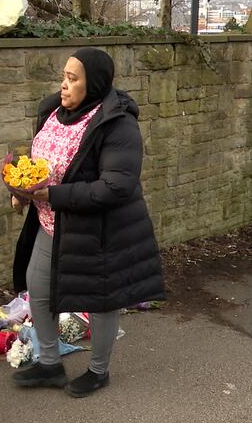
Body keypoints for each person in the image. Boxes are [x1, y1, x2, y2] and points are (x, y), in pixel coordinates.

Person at [9, 48, 165, 397]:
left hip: (100, 230)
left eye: (72, 79)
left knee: (101, 300)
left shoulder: (117, 123)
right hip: (52, 224)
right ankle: (50, 364)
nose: (63, 86)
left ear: (92, 83)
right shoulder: (52, 109)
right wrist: (22, 189)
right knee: (38, 287)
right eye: (63, 76)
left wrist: (52, 196)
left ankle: (98, 371)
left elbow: (116, 187)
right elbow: (40, 161)